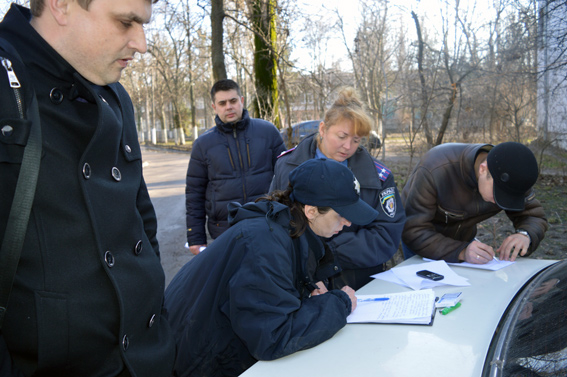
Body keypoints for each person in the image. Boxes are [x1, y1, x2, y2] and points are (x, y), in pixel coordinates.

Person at [0, 1, 175, 376]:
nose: (142, 43)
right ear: (61, 5)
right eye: (126, 21)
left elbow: (141, 222)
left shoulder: (115, 96)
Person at [164, 158, 379, 377]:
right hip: (195, 363)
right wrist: (338, 304)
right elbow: (272, 336)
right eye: (341, 215)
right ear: (312, 211)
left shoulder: (284, 227)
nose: (348, 223)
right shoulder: (264, 244)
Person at [269, 88, 405, 290]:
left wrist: (327, 252)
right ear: (322, 129)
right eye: (342, 136)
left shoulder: (377, 177)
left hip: (354, 282)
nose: (348, 146)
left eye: (356, 140)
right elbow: (273, 218)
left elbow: (386, 235)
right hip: (296, 280)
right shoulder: (288, 164)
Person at [401, 142, 548, 263]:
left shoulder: (513, 174)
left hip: (466, 241)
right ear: (484, 169)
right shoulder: (435, 168)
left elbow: (533, 215)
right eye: (499, 194)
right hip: (423, 245)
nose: (498, 202)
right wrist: (462, 251)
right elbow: (413, 229)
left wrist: (525, 234)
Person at [185, 79, 285, 255]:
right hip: (225, 231)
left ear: (242, 101)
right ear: (214, 107)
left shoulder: (268, 132)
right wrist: (195, 237)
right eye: (222, 103)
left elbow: (286, 177)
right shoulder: (203, 144)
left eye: (233, 101)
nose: (229, 107)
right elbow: (194, 193)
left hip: (268, 224)